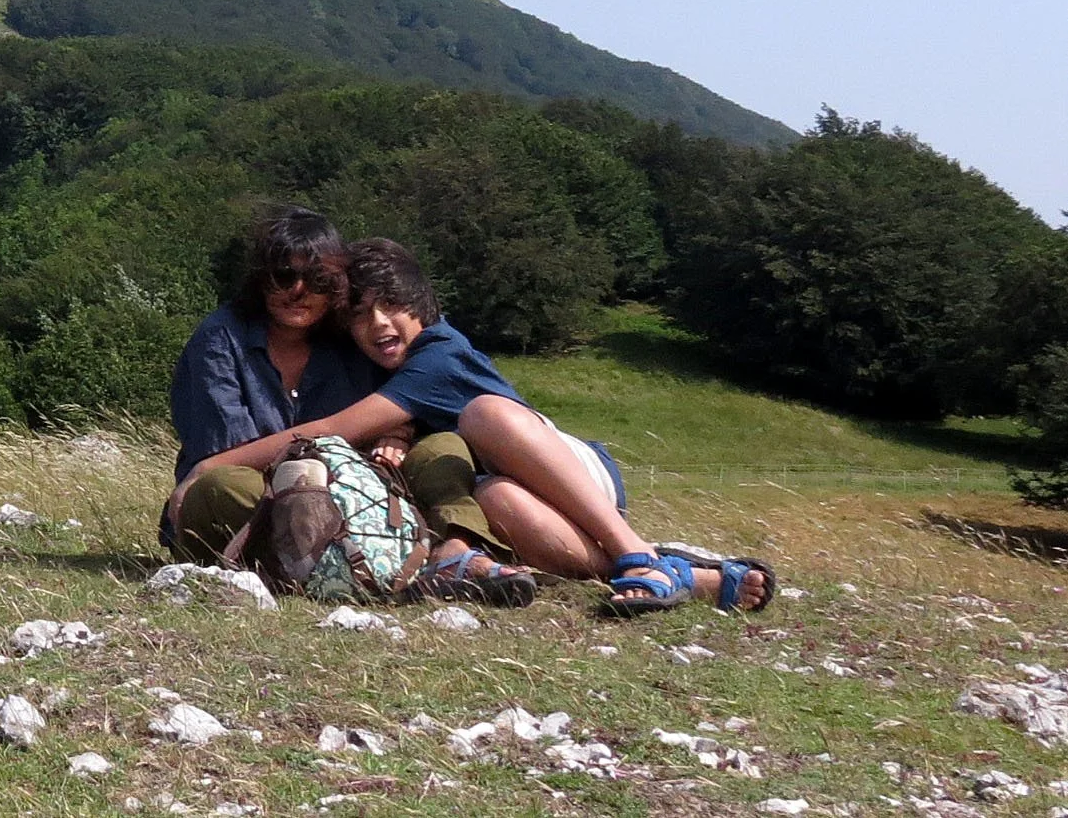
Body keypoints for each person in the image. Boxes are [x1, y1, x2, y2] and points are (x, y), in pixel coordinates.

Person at [290, 239, 776, 614]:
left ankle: (633, 550)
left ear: (419, 302)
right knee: (492, 498)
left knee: (485, 413)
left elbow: (336, 427)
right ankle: (684, 576)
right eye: (359, 314)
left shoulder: (438, 352)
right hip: (515, 494)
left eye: (389, 304)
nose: (377, 323)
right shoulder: (383, 371)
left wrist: (214, 464)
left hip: (572, 477)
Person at [164, 208, 536, 605]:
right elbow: (225, 459)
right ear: (260, 280)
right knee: (226, 485)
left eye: (318, 279)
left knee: (441, 447)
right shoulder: (221, 339)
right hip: (255, 497)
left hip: (348, 498)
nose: (299, 291)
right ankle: (373, 569)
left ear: (337, 286)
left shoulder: (350, 339)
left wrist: (399, 433)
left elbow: (394, 403)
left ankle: (457, 553)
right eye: (284, 276)